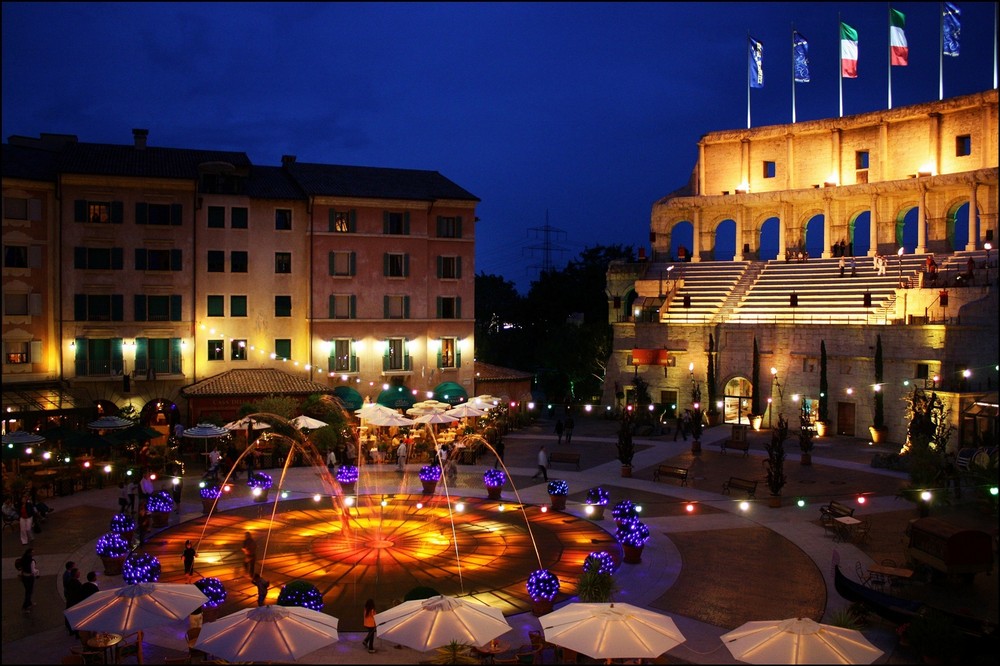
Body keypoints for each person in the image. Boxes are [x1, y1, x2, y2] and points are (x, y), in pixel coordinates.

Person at [16, 548, 38, 614]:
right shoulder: (31, 561)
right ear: (30, 553)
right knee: (29, 592)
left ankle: (29, 603)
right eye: (32, 552)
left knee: (27, 590)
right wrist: (37, 572)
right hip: (29, 577)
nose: (33, 553)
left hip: (24, 577)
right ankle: (25, 606)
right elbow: (33, 571)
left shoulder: (23, 559)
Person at [65, 567, 83, 637]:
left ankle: (71, 629)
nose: (80, 573)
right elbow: (79, 593)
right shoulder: (76, 583)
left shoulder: (70, 582)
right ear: (76, 574)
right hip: (75, 602)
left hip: (71, 601)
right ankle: (76, 632)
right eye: (78, 573)